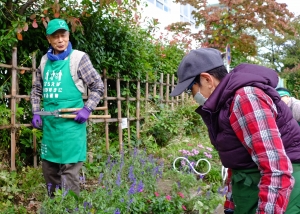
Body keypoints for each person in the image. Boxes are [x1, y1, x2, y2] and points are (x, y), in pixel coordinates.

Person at [170, 48, 300, 214]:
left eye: (190, 89)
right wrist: (230, 206)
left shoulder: (246, 99)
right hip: (252, 192)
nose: (191, 95)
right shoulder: (225, 104)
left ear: (207, 79)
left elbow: (276, 169)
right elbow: (237, 160)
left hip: (282, 199)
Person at [30, 19, 104, 196]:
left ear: (68, 36)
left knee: (69, 174)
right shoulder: (44, 61)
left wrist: (87, 108)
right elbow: (36, 89)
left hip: (72, 126)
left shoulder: (78, 58)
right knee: (49, 171)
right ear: (49, 39)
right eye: (55, 37)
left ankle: (71, 209)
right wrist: (36, 111)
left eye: (63, 35)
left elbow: (98, 86)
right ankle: (55, 207)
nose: (60, 40)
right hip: (50, 128)